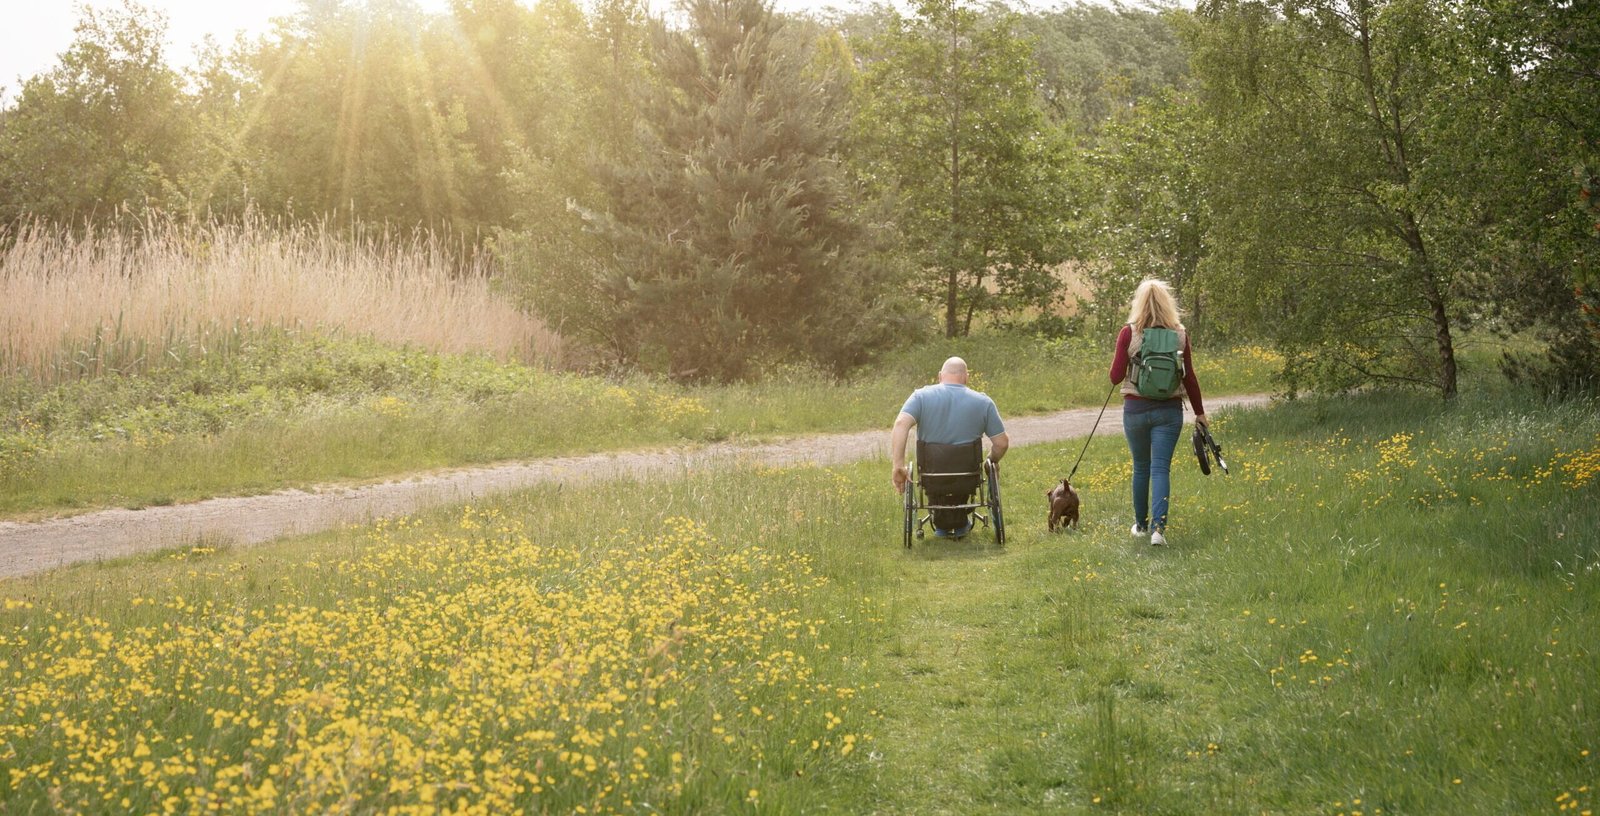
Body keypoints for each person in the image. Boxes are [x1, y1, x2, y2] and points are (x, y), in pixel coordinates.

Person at [1110, 279, 1207, 547]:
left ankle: (1140, 525)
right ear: (1168, 304)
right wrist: (1199, 413)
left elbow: (1115, 377)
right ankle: (1158, 532)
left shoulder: (1129, 333)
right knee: (1161, 468)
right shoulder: (1180, 334)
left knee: (1141, 467)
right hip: (1169, 411)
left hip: (1136, 410)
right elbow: (1190, 378)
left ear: (1138, 304)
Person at [890, 357, 1009, 537]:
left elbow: (900, 424)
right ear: (966, 377)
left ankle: (942, 524)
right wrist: (991, 461)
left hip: (931, 474)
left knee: (935, 483)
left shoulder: (921, 396)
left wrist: (898, 465)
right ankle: (960, 522)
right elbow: (1001, 443)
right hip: (968, 476)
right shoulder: (983, 402)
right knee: (967, 479)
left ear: (939, 376)